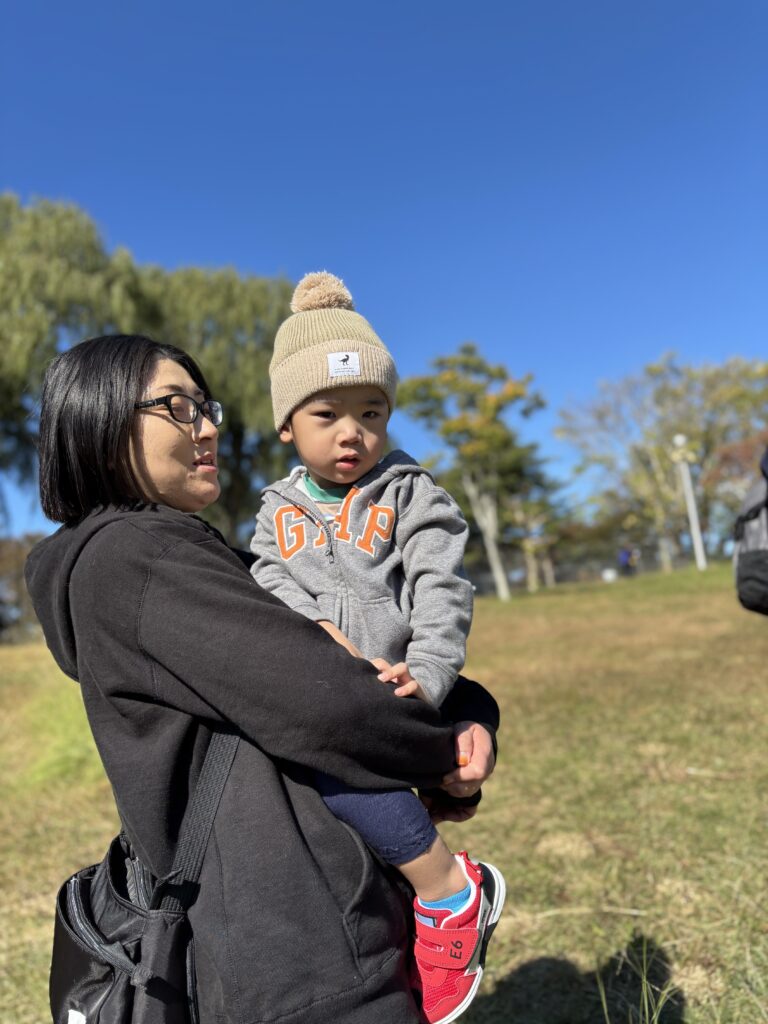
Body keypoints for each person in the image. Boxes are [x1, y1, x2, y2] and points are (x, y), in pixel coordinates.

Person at [25, 333, 500, 1024]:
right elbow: (327, 700)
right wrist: (438, 752)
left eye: (206, 407)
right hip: (294, 940)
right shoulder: (137, 560)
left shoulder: (186, 553)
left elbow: (344, 663)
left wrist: (468, 713)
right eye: (177, 407)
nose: (208, 427)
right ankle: (452, 894)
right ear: (98, 421)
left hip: (308, 914)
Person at [250, 272, 505, 1023]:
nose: (351, 432)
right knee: (335, 786)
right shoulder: (275, 510)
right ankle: (407, 914)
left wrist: (428, 673)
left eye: (371, 412)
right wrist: (315, 629)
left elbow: (442, 588)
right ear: (287, 426)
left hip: (403, 685)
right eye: (326, 413)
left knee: (358, 770)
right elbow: (266, 579)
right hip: (327, 687)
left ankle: (449, 893)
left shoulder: (411, 493)